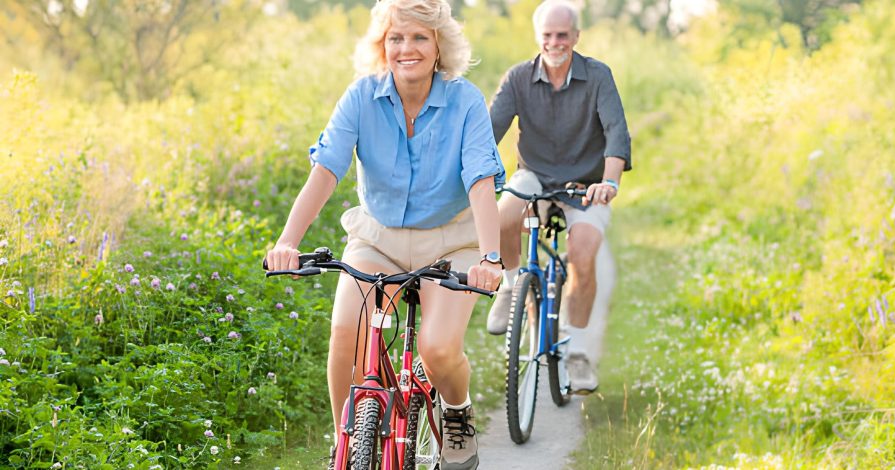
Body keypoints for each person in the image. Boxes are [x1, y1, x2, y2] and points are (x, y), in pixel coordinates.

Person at [264, 0, 504, 467]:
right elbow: (326, 170)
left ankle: (456, 412)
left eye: (419, 37)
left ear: (439, 46)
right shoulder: (361, 96)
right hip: (378, 238)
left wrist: (490, 258)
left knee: (437, 349)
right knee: (345, 330)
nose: (406, 48)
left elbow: (480, 181)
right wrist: (287, 241)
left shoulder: (465, 101)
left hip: (452, 242)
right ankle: (345, 445)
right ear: (382, 45)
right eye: (396, 38)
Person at [487, 0, 631, 394]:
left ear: (576, 37)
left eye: (562, 35)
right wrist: (474, 175)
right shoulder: (518, 78)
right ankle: (511, 285)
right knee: (502, 216)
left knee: (583, 254)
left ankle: (580, 353)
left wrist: (610, 182)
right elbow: (488, 133)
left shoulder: (598, 76)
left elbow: (617, 133)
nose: (555, 42)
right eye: (548, 35)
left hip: (585, 184)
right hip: (534, 173)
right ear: (538, 37)